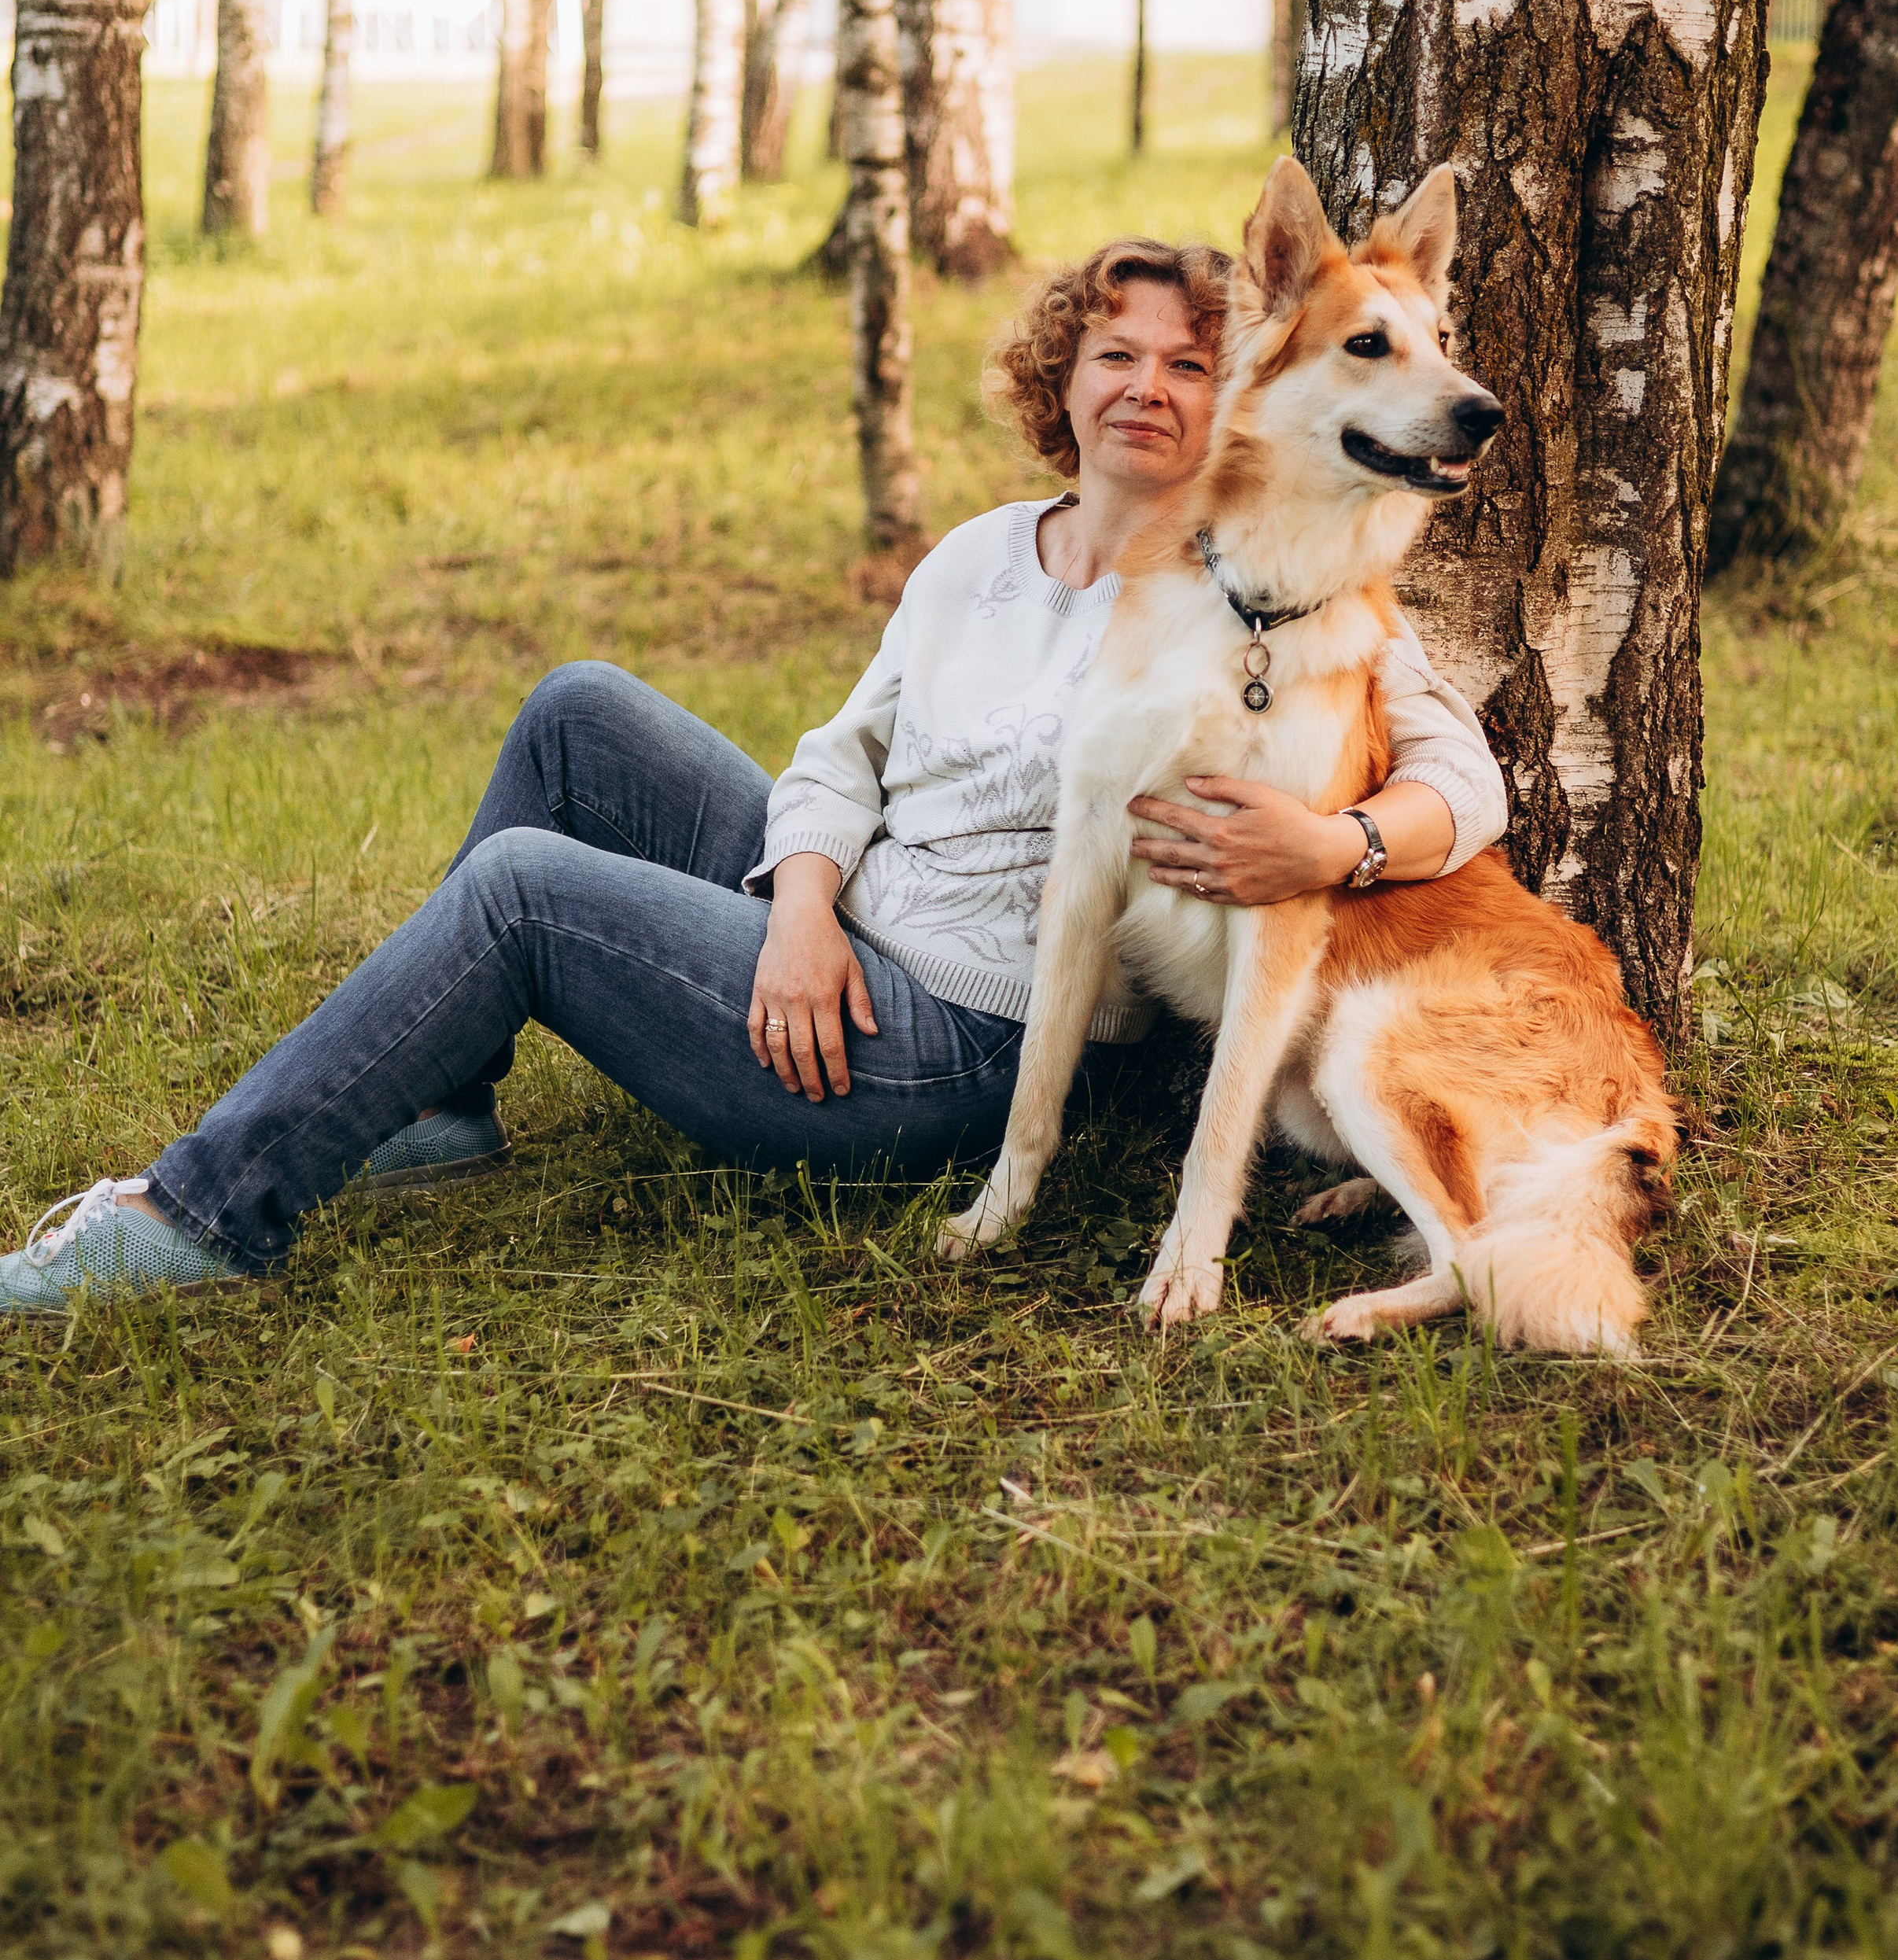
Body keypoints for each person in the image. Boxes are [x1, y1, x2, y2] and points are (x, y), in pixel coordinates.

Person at [0, 237, 1507, 1313]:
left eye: (1189, 361)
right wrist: (800, 900)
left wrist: (1342, 846)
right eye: (1116, 354)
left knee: (525, 893)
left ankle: (200, 1213)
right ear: (1069, 376)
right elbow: (839, 754)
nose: (1149, 388)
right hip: (845, 927)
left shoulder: (1263, 588)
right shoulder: (985, 553)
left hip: (949, 1037)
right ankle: (445, 1108)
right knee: (579, 708)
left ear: (1239, 384)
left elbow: (1463, 776)